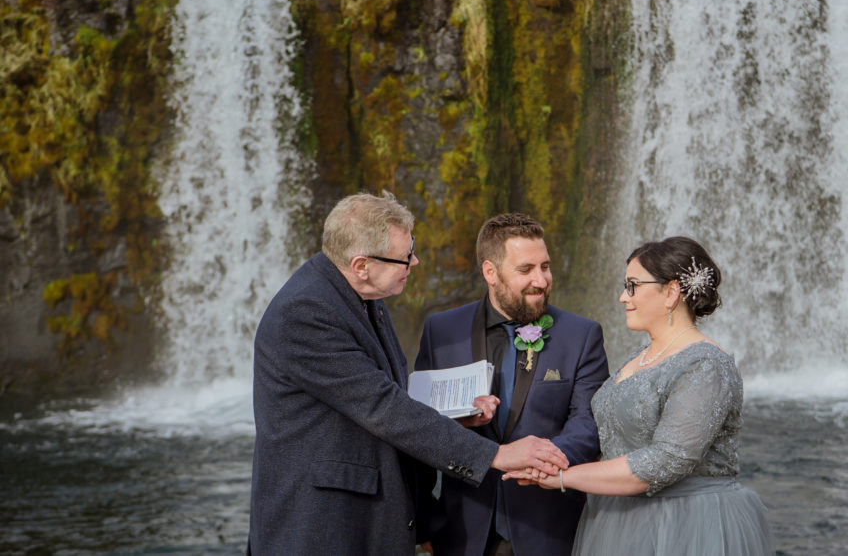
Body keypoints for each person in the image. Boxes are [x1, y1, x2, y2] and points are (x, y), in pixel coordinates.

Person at [247, 192, 569, 556]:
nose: (414, 261)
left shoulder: (364, 296)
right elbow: (384, 409)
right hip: (322, 528)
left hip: (367, 518)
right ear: (361, 265)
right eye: (405, 256)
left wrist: (453, 418)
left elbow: (389, 399)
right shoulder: (304, 313)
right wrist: (497, 455)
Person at [503, 236, 775, 555]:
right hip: (619, 520)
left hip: (685, 527)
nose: (622, 297)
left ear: (671, 292)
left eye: (632, 286)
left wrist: (564, 476)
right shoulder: (643, 353)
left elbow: (662, 462)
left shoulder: (706, 366)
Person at [415, 213, 610, 556]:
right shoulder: (441, 332)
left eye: (545, 267)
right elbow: (417, 425)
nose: (541, 280)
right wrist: (425, 519)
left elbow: (588, 421)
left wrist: (542, 462)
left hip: (549, 530)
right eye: (526, 270)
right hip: (460, 532)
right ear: (491, 272)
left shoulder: (581, 335)